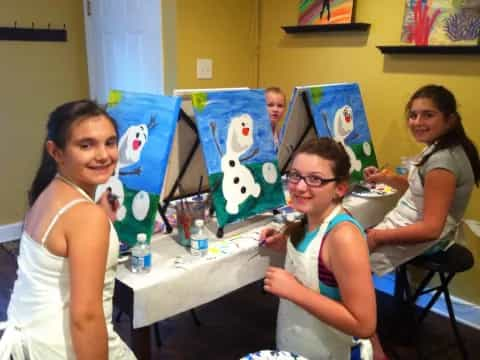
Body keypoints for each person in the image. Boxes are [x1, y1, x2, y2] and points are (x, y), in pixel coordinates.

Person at [0, 100, 136, 359]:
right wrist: (95, 219)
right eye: (86, 145)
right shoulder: (85, 217)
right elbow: (85, 317)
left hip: (31, 339)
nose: (103, 155)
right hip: (64, 347)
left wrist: (99, 217)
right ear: (56, 152)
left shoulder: (47, 192)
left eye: (109, 142)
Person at [363, 85, 480, 360]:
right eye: (413, 115)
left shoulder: (442, 162)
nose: (417, 122)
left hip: (431, 238)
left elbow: (430, 228)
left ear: (449, 119)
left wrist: (377, 236)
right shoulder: (445, 148)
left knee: (345, 259)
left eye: (428, 115)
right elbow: (426, 190)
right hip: (430, 229)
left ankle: (368, 340)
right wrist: (388, 179)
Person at [261, 138, 376, 359]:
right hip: (298, 344)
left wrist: (294, 291)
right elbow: (319, 262)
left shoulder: (344, 237)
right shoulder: (310, 217)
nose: (300, 187)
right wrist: (285, 244)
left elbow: (364, 325)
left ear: (340, 188)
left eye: (315, 179)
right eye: (295, 175)